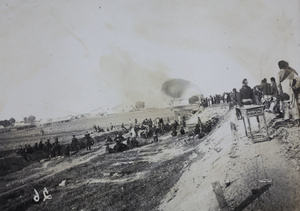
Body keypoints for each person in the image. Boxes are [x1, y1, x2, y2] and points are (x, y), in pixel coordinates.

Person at [277, 60, 300, 125]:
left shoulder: (279, 74)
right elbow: (298, 79)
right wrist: (295, 86)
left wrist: (280, 92)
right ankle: (297, 120)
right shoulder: (291, 72)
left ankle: (287, 119)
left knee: (285, 106)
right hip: (291, 90)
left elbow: (278, 84)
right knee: (294, 105)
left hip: (284, 92)